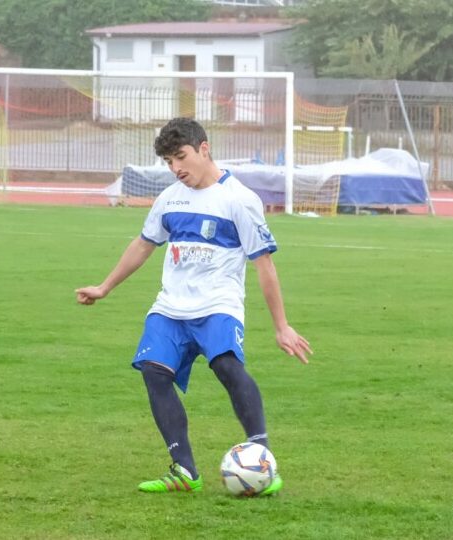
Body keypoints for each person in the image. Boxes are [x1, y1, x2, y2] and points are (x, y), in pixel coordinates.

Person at [75, 118, 310, 495]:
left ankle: (261, 458)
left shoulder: (240, 200)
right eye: (168, 161)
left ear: (204, 148)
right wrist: (105, 287)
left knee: (227, 366)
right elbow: (143, 244)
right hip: (170, 307)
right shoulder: (170, 198)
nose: (176, 168)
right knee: (153, 372)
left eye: (180, 157)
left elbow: (263, 265)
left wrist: (282, 325)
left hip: (218, 304)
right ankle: (184, 471)